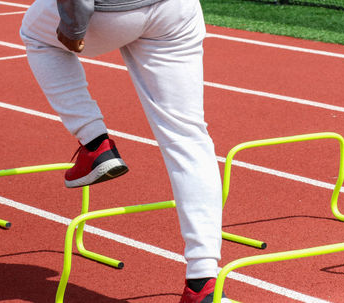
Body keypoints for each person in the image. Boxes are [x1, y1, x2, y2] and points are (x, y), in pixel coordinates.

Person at [20, 0, 230, 302]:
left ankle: (94, 142)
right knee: (188, 136)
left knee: (36, 34)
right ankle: (203, 283)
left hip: (112, 10)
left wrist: (72, 25)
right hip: (176, 10)